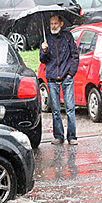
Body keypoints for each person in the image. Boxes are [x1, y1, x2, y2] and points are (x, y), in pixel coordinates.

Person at [40, 14, 79, 145]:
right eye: (51, 24)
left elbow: (75, 55)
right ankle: (58, 136)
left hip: (66, 77)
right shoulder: (46, 39)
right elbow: (43, 60)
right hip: (51, 78)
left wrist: (71, 73)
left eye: (56, 23)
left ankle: (72, 137)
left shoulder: (67, 36)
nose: (53, 26)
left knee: (70, 109)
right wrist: (44, 51)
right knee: (55, 110)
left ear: (61, 24)